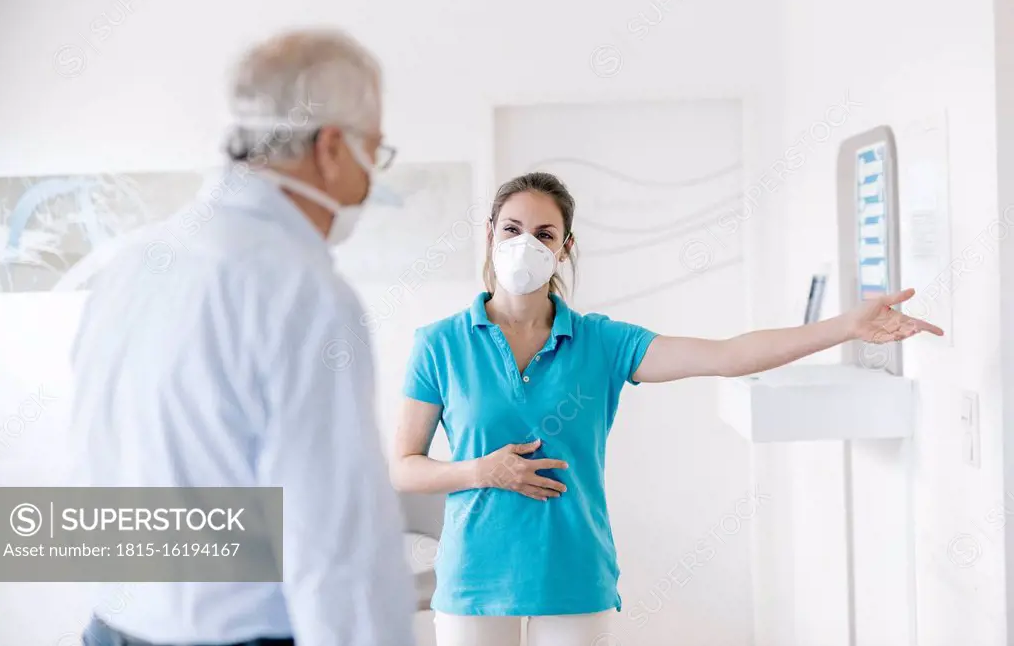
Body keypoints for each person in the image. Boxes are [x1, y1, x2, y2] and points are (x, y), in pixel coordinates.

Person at [390, 171, 943, 646]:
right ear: (489, 234)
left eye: (544, 233)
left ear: (565, 247)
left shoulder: (601, 342)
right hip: (474, 578)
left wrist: (846, 326)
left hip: (574, 573)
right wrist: (481, 471)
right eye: (511, 229)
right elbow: (404, 465)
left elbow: (728, 355)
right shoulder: (439, 344)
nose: (525, 244)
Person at [71, 30, 415, 646]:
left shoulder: (132, 265)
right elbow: (337, 551)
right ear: (332, 148)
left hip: (111, 629)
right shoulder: (299, 294)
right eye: (375, 151)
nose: (371, 179)